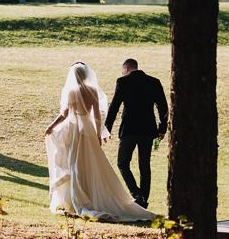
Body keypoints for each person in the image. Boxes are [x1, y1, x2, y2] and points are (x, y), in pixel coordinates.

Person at [44, 62, 155, 222]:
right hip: (88, 129)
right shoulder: (93, 91)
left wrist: (51, 126)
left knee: (75, 163)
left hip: (75, 129)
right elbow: (96, 116)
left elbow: (65, 114)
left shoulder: (72, 92)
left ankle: (76, 200)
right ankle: (89, 196)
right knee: (91, 163)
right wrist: (97, 134)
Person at [104, 58, 169, 209]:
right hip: (148, 130)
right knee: (144, 165)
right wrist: (162, 128)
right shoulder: (154, 82)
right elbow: (163, 107)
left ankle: (137, 194)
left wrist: (107, 128)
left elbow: (114, 107)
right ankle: (143, 198)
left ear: (126, 68)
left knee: (122, 162)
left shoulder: (122, 82)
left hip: (129, 129)